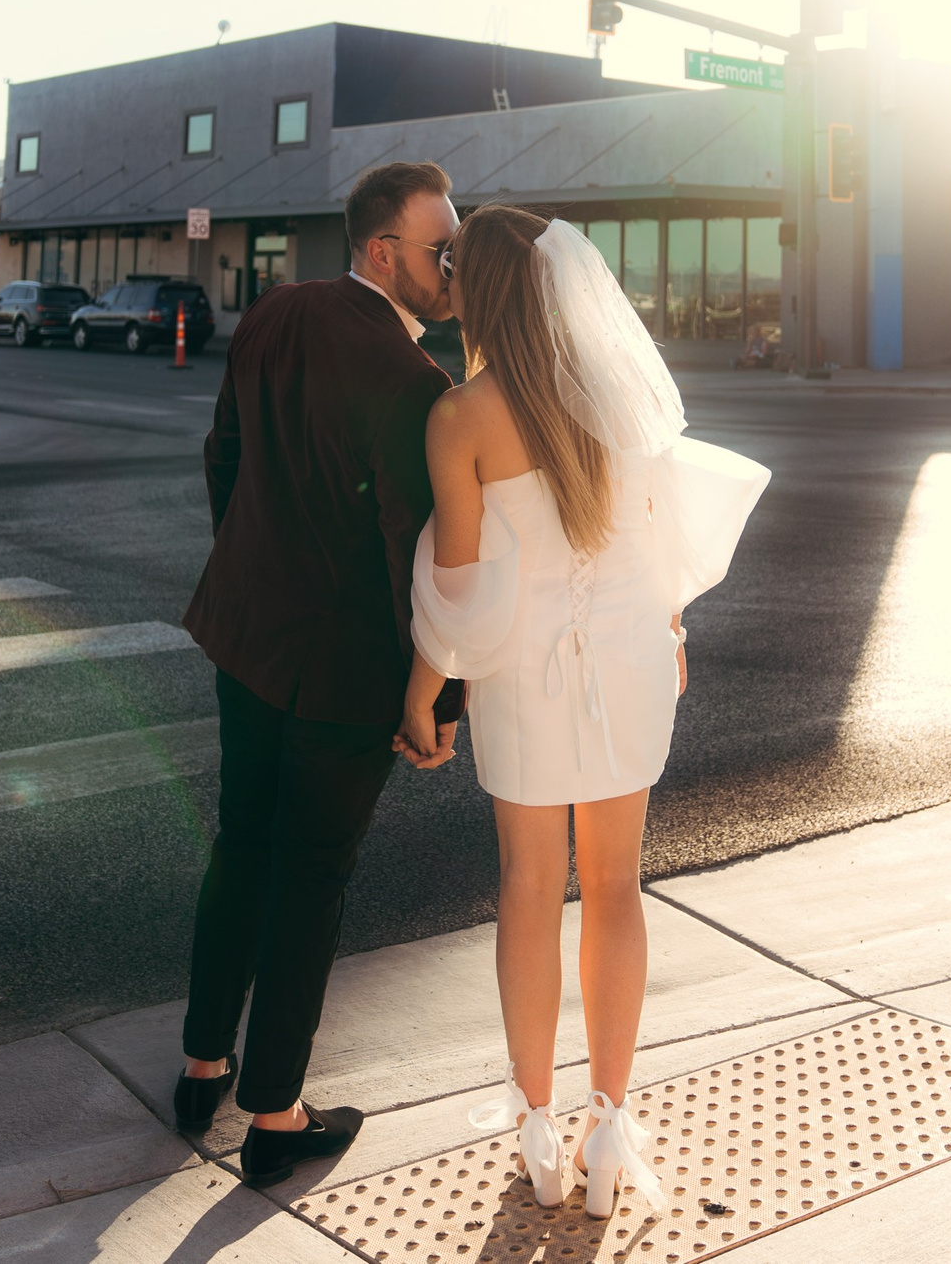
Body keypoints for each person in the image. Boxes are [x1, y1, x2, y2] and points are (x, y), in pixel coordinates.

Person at [406, 205, 769, 1218]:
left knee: (528, 886)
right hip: (632, 662)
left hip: (523, 673)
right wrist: (670, 634)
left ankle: (536, 1130)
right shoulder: (618, 395)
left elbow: (462, 591)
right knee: (616, 887)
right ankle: (610, 1124)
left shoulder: (461, 416)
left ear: (478, 290)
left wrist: (422, 690)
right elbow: (660, 542)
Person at [172, 161, 466, 1189]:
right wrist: (436, 699)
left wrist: (252, 571)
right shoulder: (415, 385)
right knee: (313, 877)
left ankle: (203, 1062)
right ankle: (276, 1113)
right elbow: (416, 560)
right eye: (442, 249)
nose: (455, 266)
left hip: (246, 638)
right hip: (344, 674)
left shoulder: (272, 314)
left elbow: (224, 458)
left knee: (241, 844)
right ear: (385, 250)